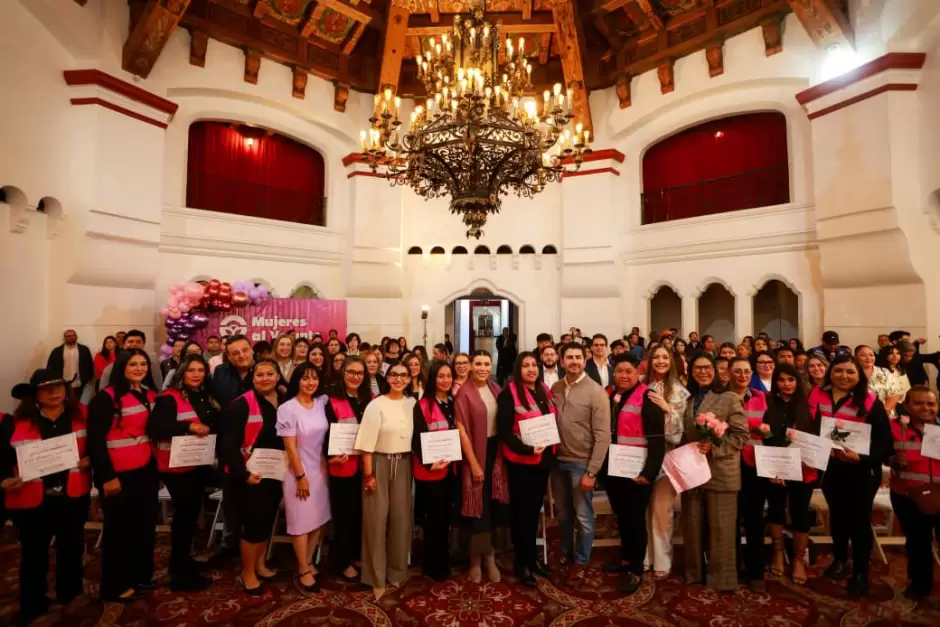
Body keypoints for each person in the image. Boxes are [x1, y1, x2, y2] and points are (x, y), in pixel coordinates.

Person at [1, 370, 91, 623]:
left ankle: (70, 594)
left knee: (71, 549)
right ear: (34, 395)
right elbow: (3, 458)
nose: (54, 392)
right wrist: (3, 479)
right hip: (33, 500)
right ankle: (33, 603)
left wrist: (90, 460)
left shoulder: (83, 415)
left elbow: (97, 445)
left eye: (58, 386)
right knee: (34, 554)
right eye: (46, 388)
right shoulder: (14, 422)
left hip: (72, 495)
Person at [814, 354, 892, 597]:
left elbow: (884, 442)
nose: (844, 376)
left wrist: (861, 457)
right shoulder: (818, 396)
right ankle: (839, 560)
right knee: (837, 517)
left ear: (859, 376)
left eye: (850, 372)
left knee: (859, 521)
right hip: (831, 468)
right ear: (830, 373)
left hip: (862, 471)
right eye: (838, 371)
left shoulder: (870, 401)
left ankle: (860, 572)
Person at [86, 349, 159, 602]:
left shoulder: (150, 394)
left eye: (143, 364)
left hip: (146, 471)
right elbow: (95, 442)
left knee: (144, 527)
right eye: (133, 364)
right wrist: (107, 477)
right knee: (119, 532)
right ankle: (115, 585)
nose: (139, 368)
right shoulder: (106, 399)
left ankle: (140, 575)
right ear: (121, 367)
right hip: (118, 475)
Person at [148, 353, 218, 591]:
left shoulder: (205, 396)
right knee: (184, 517)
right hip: (176, 468)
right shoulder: (169, 398)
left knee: (191, 516)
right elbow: (156, 427)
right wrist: (188, 426)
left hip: (198, 464)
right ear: (182, 373)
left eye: (200, 370)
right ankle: (178, 572)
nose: (196, 374)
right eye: (191, 370)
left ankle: (185, 562)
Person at [681, 353, 748, 592]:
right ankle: (694, 573)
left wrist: (715, 446)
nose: (703, 372)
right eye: (697, 368)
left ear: (717, 371)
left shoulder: (729, 398)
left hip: (721, 471)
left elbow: (741, 436)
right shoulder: (687, 399)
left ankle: (722, 579)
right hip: (693, 471)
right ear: (691, 371)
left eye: (707, 367)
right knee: (692, 526)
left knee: (722, 529)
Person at [218, 359, 285, 595]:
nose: (265, 378)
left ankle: (260, 565)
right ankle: (247, 573)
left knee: (267, 521)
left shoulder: (284, 402)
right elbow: (227, 445)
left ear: (278, 376)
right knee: (253, 525)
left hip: (275, 473)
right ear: (252, 378)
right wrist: (243, 474)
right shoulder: (241, 405)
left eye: (270, 373)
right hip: (250, 476)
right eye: (260, 375)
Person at [354, 361, 416, 601]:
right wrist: (368, 475)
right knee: (376, 521)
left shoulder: (413, 404)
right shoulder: (375, 405)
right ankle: (375, 576)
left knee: (401, 519)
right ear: (386, 378)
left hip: (404, 463)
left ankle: (397, 571)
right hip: (378, 464)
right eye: (394, 375)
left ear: (410, 379)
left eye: (404, 375)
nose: (399, 379)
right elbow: (366, 445)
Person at [604, 353, 665, 594]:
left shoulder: (648, 397)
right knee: (622, 517)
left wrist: (649, 472)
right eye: (619, 371)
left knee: (635, 519)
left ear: (637, 373)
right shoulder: (609, 395)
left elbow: (657, 440)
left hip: (638, 473)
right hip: (614, 470)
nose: (624, 376)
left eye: (629, 371)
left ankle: (636, 568)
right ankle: (626, 559)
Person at [550, 343, 611, 584]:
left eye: (578, 357)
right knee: (563, 514)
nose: (574, 361)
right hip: (557, 462)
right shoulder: (554, 387)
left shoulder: (596, 392)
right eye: (569, 357)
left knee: (584, 516)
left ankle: (582, 560)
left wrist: (592, 471)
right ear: (561, 361)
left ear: (584, 360)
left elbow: (603, 435)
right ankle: (566, 551)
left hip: (581, 464)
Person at [496, 352, 555, 587]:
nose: (531, 369)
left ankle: (532, 560)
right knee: (522, 516)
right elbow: (504, 432)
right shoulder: (508, 394)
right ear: (518, 369)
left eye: (534, 365)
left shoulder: (543, 391)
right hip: (521, 464)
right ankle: (523, 564)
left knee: (534, 514)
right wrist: (527, 449)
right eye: (526, 365)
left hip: (542, 463)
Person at [277, 363, 331, 592]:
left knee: (318, 520)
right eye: (305, 378)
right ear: (296, 380)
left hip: (320, 470)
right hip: (297, 472)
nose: (311, 383)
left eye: (314, 378)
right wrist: (300, 476)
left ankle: (309, 560)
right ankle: (302, 569)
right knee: (300, 524)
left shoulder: (321, 403)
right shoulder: (288, 408)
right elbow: (290, 447)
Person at [454, 350, 507, 583]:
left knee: (493, 506)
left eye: (487, 363)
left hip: (496, 453)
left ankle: (491, 555)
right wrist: (475, 464)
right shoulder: (464, 393)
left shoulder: (496, 390)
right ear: (471, 367)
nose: (483, 368)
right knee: (478, 507)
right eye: (479, 363)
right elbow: (461, 430)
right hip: (475, 453)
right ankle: (476, 559)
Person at [763, 363, 817, 586]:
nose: (786, 384)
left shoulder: (808, 406)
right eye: (782, 380)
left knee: (800, 512)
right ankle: (777, 552)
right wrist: (775, 467)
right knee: (775, 509)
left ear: (798, 382)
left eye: (791, 379)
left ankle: (797, 559)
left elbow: (815, 438)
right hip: (773, 466)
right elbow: (763, 434)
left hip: (803, 467)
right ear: (775, 382)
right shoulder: (767, 403)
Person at [641, 345, 690, 578]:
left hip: (667, 459)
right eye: (656, 357)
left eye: (664, 357)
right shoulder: (640, 386)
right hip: (641, 456)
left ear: (671, 361)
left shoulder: (680, 391)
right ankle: (643, 556)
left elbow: (679, 433)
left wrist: (667, 409)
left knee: (662, 509)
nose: (660, 361)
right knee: (642, 509)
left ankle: (662, 558)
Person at [889, 386, 940, 601]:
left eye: (931, 403)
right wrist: (892, 460)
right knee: (917, 541)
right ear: (907, 405)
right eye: (919, 403)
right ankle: (920, 584)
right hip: (907, 496)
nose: (926, 408)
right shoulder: (892, 427)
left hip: (939, 493)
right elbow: (880, 452)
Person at [325, 356, 372, 582]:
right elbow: (324, 435)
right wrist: (331, 456)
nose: (355, 377)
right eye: (351, 372)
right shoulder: (331, 400)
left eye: (359, 373)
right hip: (341, 466)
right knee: (343, 516)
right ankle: (342, 561)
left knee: (359, 515)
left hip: (364, 467)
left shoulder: (369, 398)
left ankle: (355, 554)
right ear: (343, 373)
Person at [727, 357, 772, 591]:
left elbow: (768, 427)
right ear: (729, 373)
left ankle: (756, 570)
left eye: (746, 371)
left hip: (755, 464)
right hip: (729, 464)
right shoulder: (721, 397)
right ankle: (731, 567)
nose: (742, 375)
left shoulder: (760, 396)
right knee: (730, 519)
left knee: (754, 518)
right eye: (737, 371)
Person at [412, 360, 458, 581]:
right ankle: (433, 565)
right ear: (433, 378)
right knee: (434, 520)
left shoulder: (452, 402)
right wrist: (430, 463)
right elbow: (416, 440)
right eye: (441, 376)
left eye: (449, 376)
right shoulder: (422, 405)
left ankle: (443, 560)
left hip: (450, 470)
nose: (445, 380)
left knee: (445, 518)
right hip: (430, 472)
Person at [856, 344, 903, 416]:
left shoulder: (885, 372)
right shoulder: (852, 373)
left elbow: (895, 394)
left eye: (871, 355)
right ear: (855, 357)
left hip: (885, 413)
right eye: (863, 355)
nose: (868, 358)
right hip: (858, 414)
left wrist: (883, 412)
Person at [211, 335, 255, 408]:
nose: (241, 355)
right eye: (235, 353)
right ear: (228, 357)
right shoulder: (220, 371)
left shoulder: (264, 369)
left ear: (252, 350)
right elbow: (213, 397)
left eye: (245, 350)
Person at [47, 329, 94, 395]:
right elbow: (50, 367)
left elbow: (90, 365)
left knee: (79, 404)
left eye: (73, 335)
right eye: (68, 336)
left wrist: (88, 378)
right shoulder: (56, 351)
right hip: (62, 384)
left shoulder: (84, 349)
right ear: (64, 338)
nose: (71, 337)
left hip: (80, 384)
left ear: (76, 336)